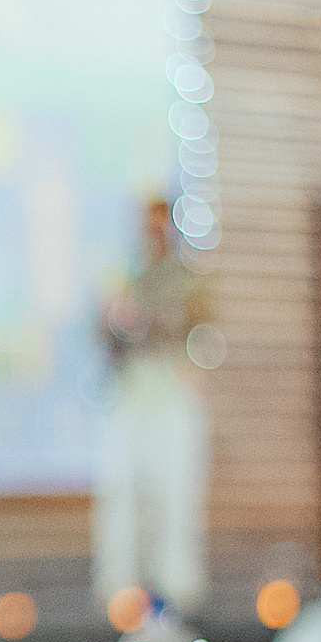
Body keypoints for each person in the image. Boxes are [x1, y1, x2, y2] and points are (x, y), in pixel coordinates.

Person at [92, 197, 212, 614]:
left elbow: (200, 336)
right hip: (131, 395)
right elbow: (104, 341)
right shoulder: (122, 278)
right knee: (121, 488)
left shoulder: (187, 280)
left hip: (172, 394)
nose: (154, 234)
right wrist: (115, 319)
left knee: (175, 490)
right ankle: (119, 582)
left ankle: (178, 582)